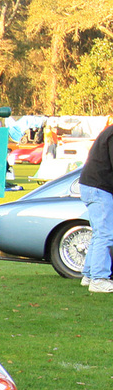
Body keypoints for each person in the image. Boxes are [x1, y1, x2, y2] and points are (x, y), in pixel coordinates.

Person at [78, 121, 113, 292]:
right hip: (100, 187)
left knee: (99, 233)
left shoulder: (108, 131)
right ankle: (99, 278)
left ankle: (89, 274)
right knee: (105, 234)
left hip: (91, 185)